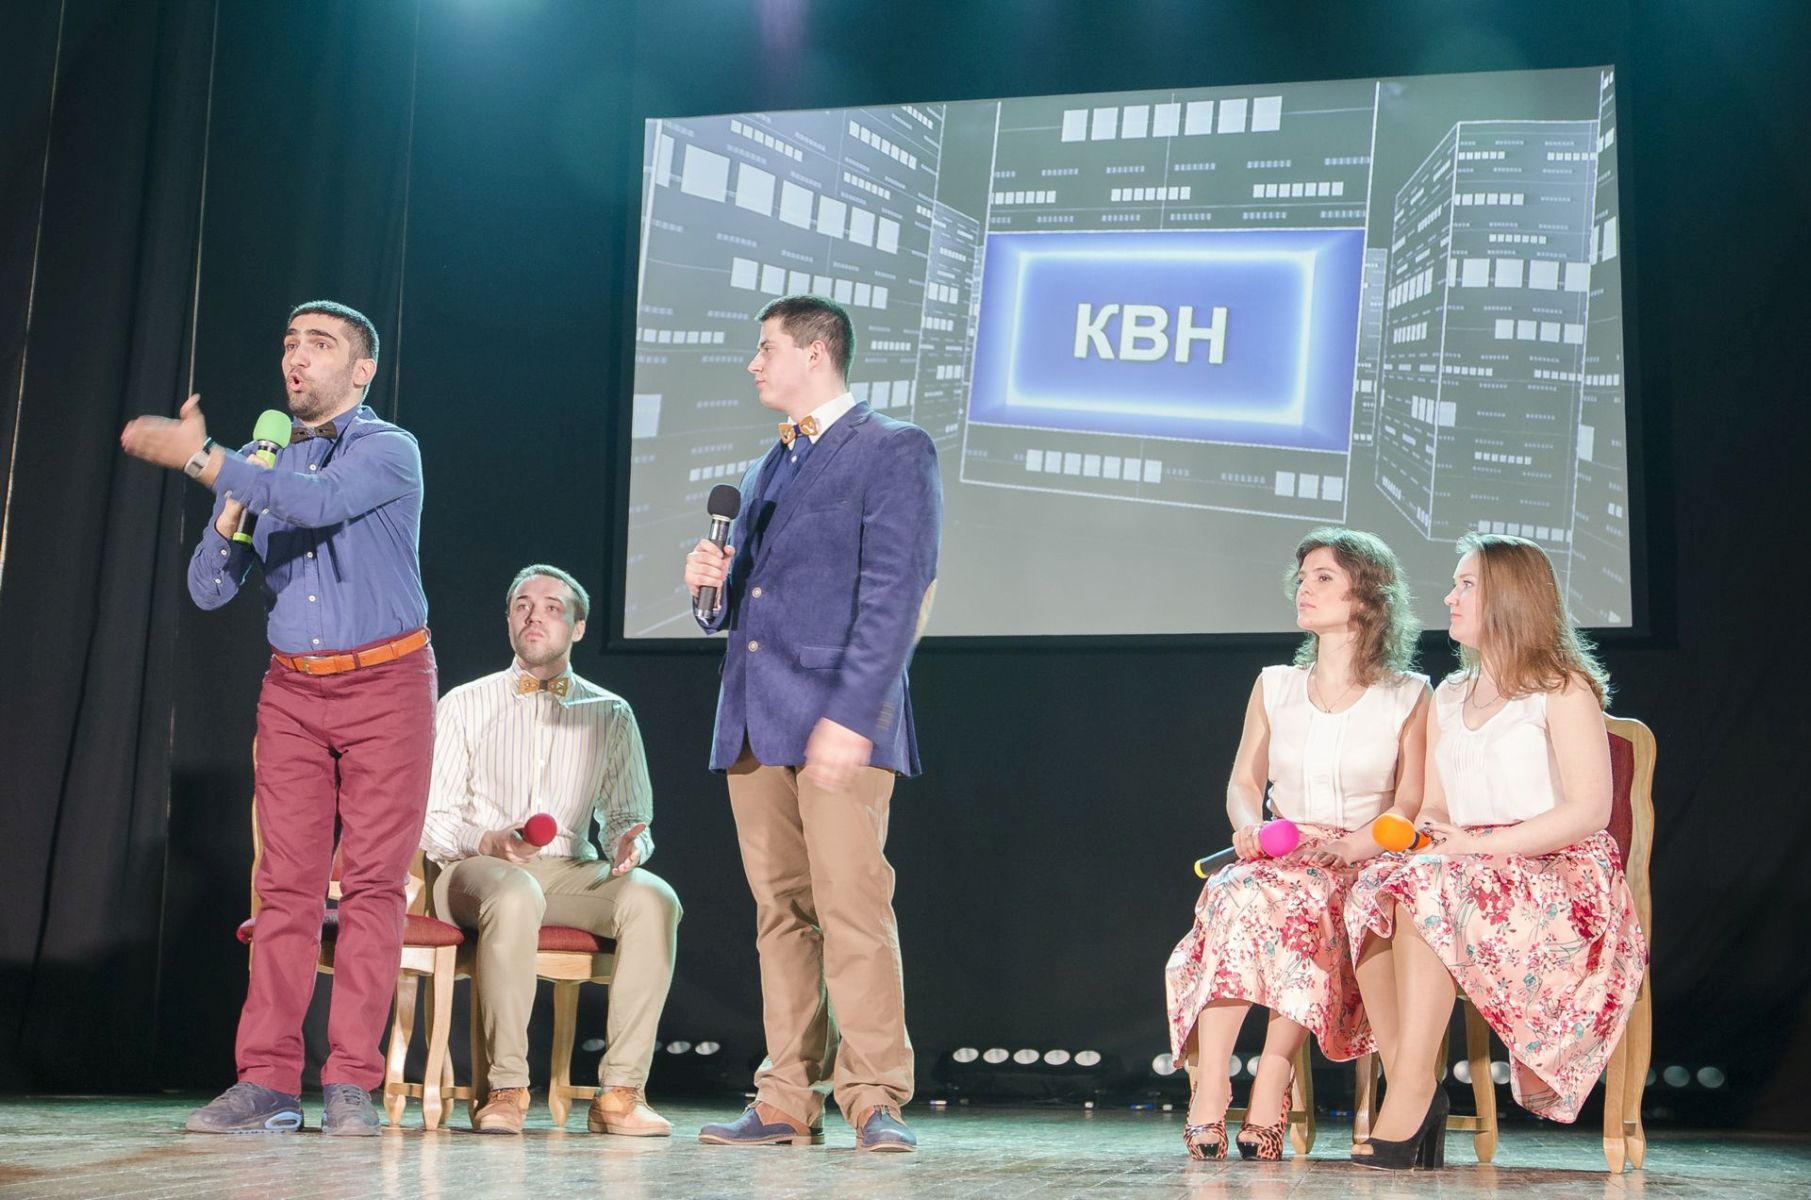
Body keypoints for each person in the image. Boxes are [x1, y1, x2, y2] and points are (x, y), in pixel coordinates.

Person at [120, 301, 433, 1135]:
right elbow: (208, 589)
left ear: (361, 370)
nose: (297, 356)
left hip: (387, 683)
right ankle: (265, 1081)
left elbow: (319, 501)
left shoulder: (387, 449)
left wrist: (206, 462)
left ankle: (352, 1083)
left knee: (371, 886)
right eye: (290, 342)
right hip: (293, 691)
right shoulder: (261, 465)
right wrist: (228, 515)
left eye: (320, 344)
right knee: (283, 888)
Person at [681, 294, 941, 1152]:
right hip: (755, 720)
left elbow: (897, 594)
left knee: (852, 908)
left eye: (766, 348)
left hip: (839, 720)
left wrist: (853, 714)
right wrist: (708, 587)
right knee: (780, 914)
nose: (754, 363)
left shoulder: (892, 448)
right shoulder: (768, 464)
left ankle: (873, 1096)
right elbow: (748, 604)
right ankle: (786, 1097)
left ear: (816, 352)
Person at [1344, 533, 1648, 1170]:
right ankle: (1413, 1082)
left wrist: (1481, 847)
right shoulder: (1450, 694)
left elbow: (1588, 811)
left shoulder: (1562, 689)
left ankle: (1409, 1096)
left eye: (1466, 585)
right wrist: (1428, 837)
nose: (1450, 598)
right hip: (1465, 866)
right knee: (1374, 889)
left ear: (1509, 597)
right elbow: (1433, 807)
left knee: (1425, 888)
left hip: (1555, 868)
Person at [1164, 529, 1429, 1160]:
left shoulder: (1409, 694)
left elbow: (1410, 803)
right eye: (1302, 577)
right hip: (1279, 850)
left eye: (1323, 578)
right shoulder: (1275, 684)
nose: (1303, 589)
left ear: (1368, 595)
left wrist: (1353, 848)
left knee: (1307, 904)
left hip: (1359, 857)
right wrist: (1249, 829)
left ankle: (1273, 1075)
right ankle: (1212, 1082)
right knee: (1233, 891)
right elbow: (1244, 783)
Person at [420, 564, 681, 1136]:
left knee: (653, 899)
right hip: (475, 871)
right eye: (522, 606)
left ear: (578, 628)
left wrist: (628, 844)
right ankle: (507, 1088)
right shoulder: (465, 703)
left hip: (568, 870)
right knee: (515, 892)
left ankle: (621, 1094)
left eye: (552, 607)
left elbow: (628, 818)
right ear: (509, 621)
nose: (534, 615)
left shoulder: (610, 712)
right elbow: (433, 820)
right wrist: (486, 840)